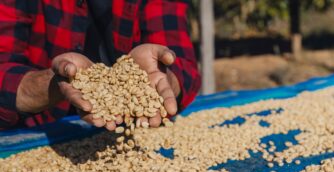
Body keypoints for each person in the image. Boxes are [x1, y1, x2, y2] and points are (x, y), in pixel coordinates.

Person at [0, 0, 201, 131]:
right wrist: (51, 83)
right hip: (37, 131)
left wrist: (166, 77)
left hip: (128, 131)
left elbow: (184, 66)